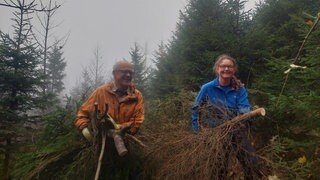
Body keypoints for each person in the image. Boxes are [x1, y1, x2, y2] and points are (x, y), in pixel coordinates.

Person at [191, 54, 261, 179]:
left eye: (229, 66)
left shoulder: (239, 88)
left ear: (234, 69)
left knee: (252, 163)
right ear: (217, 69)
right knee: (218, 169)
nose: (226, 69)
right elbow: (196, 109)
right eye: (223, 66)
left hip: (236, 129)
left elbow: (244, 106)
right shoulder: (207, 88)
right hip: (215, 132)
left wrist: (245, 114)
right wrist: (197, 129)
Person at [74, 59, 144, 179]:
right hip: (102, 149)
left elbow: (137, 121)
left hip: (127, 147)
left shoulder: (137, 96)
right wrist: (86, 131)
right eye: (124, 72)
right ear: (114, 73)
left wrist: (118, 128)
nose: (128, 75)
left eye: (130, 73)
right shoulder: (101, 92)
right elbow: (81, 115)